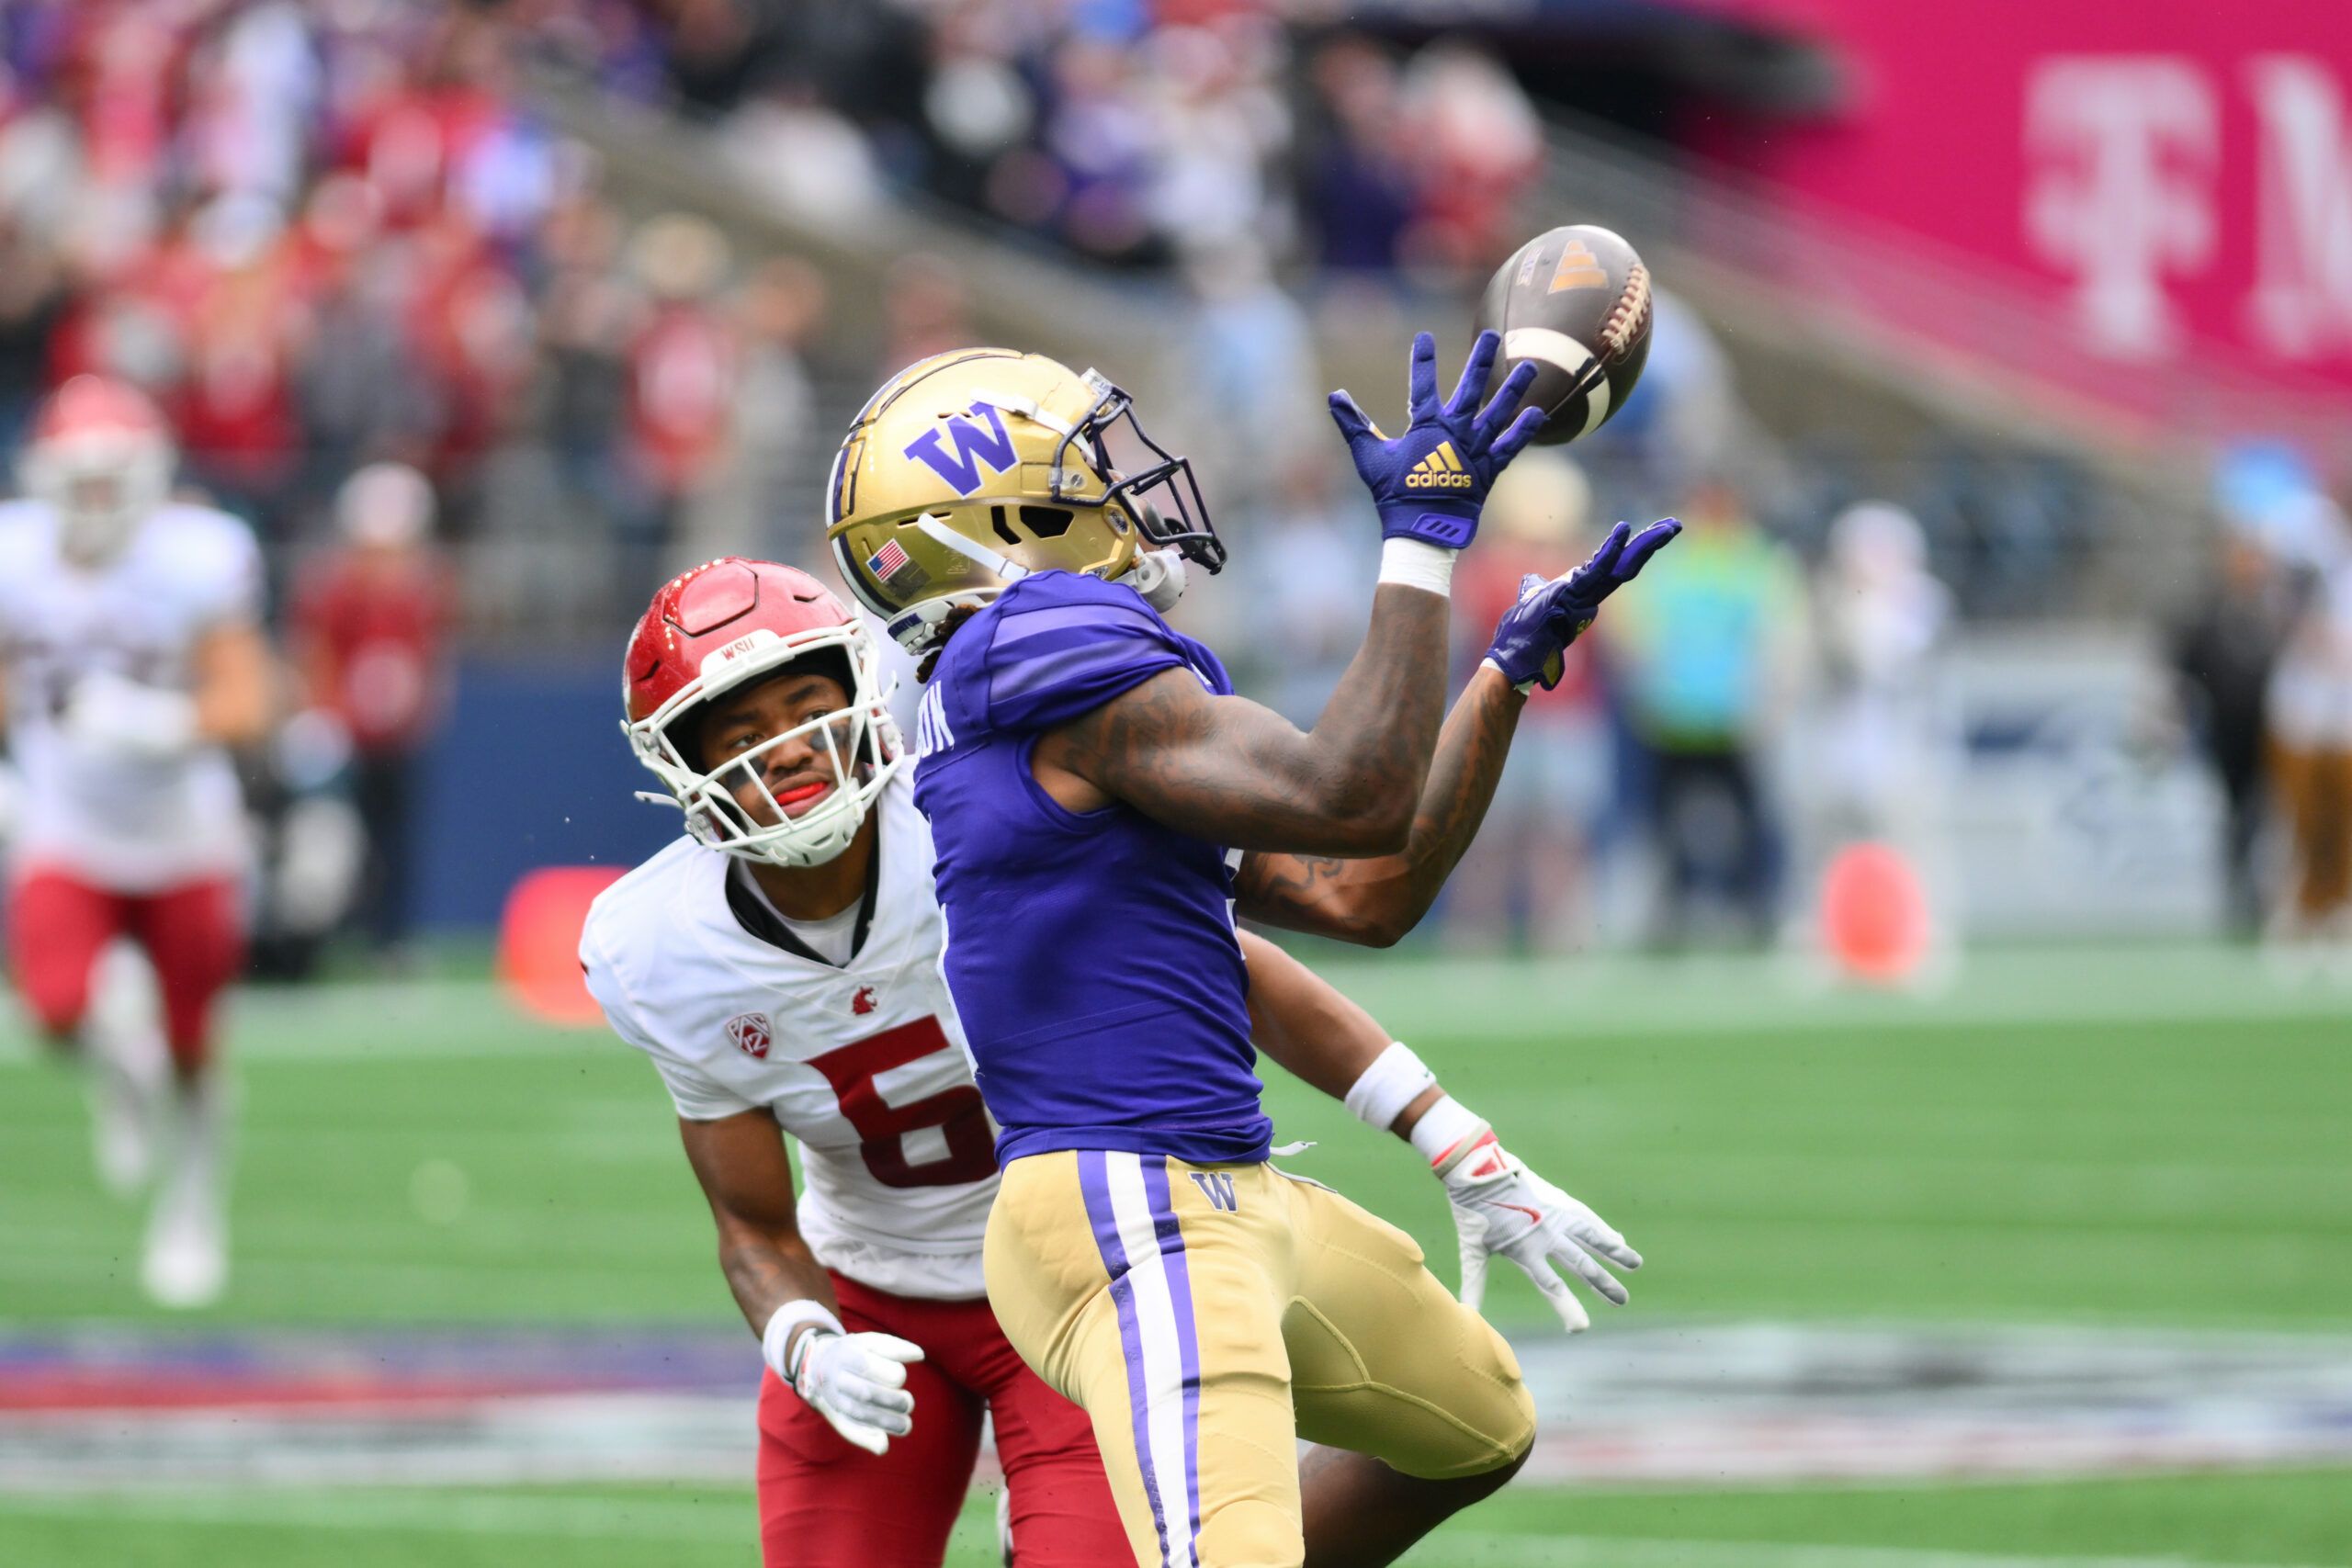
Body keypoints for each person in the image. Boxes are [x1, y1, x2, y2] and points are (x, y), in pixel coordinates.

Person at [582, 550, 1653, 1567]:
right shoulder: (652, 950)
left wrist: (1447, 1134)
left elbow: (1259, 956)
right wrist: (807, 1342)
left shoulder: (976, 804)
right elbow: (754, 1226)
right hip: (869, 1295)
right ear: (679, 762)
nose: (788, 746)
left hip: (1080, 1272)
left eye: (806, 704)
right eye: (741, 728)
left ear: (861, 693)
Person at [823, 336, 1678, 1568]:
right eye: (1083, 466)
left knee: (1474, 1422)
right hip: (1134, 1205)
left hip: (1228, 1184)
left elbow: (1362, 889)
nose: (1122, 486)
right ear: (1000, 515)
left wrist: (1500, 675)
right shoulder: (1036, 641)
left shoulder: (1063, 707)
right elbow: (1352, 794)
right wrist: (1422, 544)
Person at [0, 374, 275, 1307]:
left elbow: (248, 702)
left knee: (196, 1045)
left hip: (183, 833)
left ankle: (193, 1201)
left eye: (112, 480)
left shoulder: (198, 557)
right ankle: (122, 1078)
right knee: (56, 1009)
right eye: (79, 481)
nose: (95, 502)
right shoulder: (15, 554)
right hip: (67, 824)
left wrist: (148, 721)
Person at [290, 461, 455, 962]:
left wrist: (424, 712)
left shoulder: (425, 588)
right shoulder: (335, 589)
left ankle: (391, 940)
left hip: (399, 736)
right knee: (333, 840)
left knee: (396, 839)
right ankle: (326, 940)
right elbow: (316, 655)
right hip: (345, 733)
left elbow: (431, 658)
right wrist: (324, 715)